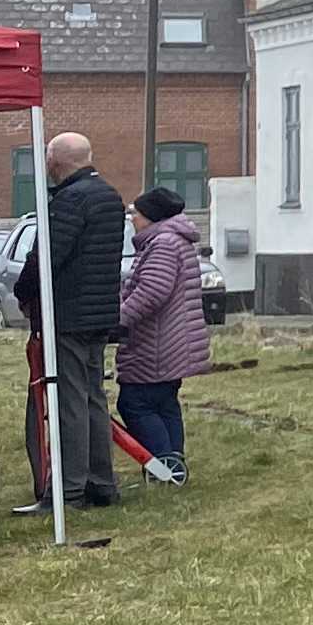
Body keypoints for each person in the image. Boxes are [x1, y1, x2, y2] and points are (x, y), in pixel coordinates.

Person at [16, 130, 126, 514]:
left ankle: (68, 490)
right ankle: (101, 482)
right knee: (93, 397)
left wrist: (23, 290)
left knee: (70, 402)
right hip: (100, 313)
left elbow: (47, 257)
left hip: (69, 314)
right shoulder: (109, 195)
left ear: (56, 161)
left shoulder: (69, 200)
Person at [115, 186, 211, 486]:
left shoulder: (163, 244)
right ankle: (174, 463)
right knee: (164, 403)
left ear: (151, 217)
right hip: (173, 340)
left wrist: (118, 319)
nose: (132, 219)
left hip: (157, 343)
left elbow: (152, 292)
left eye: (136, 213)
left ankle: (162, 465)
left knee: (135, 402)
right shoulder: (174, 240)